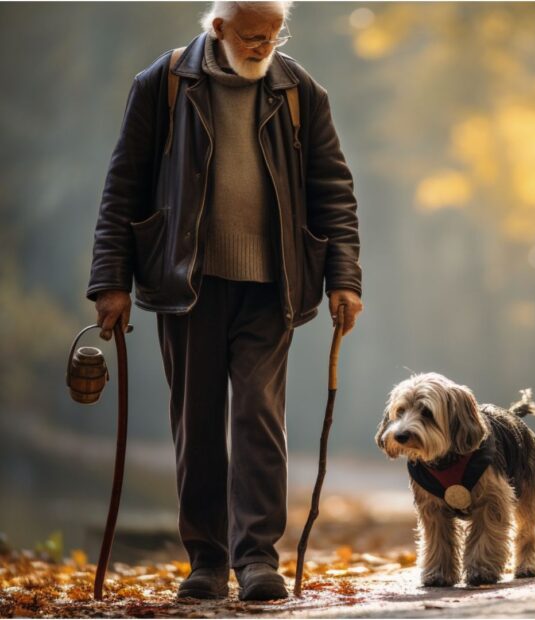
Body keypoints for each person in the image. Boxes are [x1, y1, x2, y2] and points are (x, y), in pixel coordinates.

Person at [86, 1, 363, 601]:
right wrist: (111, 281)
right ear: (218, 29)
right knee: (199, 421)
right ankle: (207, 562)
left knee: (259, 416)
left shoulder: (300, 91)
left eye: (273, 34)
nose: (265, 45)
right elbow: (123, 186)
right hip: (187, 285)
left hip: (273, 285)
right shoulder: (162, 85)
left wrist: (345, 276)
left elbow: (333, 188)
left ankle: (258, 559)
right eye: (252, 35)